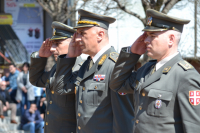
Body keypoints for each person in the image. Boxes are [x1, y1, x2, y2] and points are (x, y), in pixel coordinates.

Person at [110, 9, 200, 133]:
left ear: (171, 39)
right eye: (146, 35)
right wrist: (132, 53)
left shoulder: (185, 76)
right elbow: (117, 85)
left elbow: (193, 127)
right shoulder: (146, 70)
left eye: (152, 36)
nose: (146, 40)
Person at [53, 9, 135, 133]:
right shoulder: (87, 65)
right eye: (77, 34)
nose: (77, 39)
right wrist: (69, 57)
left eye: (82, 33)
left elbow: (124, 118)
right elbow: (60, 88)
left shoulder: (115, 66)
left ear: (100, 35)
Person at [29, 21, 83, 133]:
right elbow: (36, 79)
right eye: (52, 44)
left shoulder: (80, 68)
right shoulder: (56, 68)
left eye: (57, 43)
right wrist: (40, 57)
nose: (52, 49)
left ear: (72, 43)